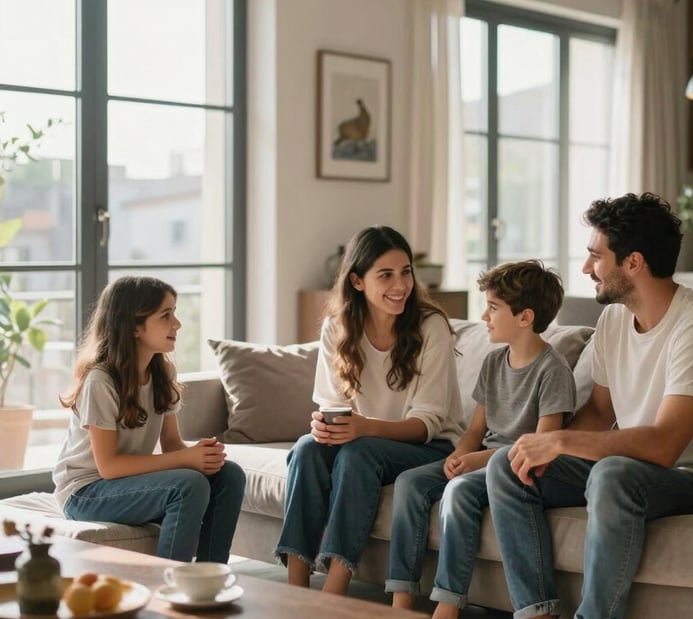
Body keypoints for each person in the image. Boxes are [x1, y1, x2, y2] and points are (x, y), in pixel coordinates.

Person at [461, 193, 693, 619]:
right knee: (510, 462)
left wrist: (565, 440)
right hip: (630, 467)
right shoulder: (615, 320)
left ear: (633, 263)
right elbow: (597, 412)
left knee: (611, 474)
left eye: (596, 255)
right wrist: (545, 445)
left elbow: (664, 445)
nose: (588, 267)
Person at [390, 261, 576, 619]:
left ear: (525, 318)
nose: (483, 317)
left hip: (515, 466)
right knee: (410, 483)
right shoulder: (494, 363)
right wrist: (460, 454)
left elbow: (542, 444)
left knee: (458, 492)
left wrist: (476, 461)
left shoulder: (553, 370)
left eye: (493, 308)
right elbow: (476, 429)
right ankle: (399, 603)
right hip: (480, 458)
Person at [274, 225, 465, 596]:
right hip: (365, 441)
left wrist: (363, 429)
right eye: (386, 275)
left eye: (406, 272)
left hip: (430, 445)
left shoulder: (431, 326)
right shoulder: (337, 327)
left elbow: (428, 423)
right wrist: (328, 426)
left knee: (360, 452)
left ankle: (335, 591)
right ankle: (295, 591)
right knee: (306, 449)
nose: (401, 285)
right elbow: (334, 404)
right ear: (358, 281)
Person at [54, 276, 246, 563]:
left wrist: (201, 454)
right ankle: (170, 581)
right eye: (166, 315)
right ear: (133, 326)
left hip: (129, 481)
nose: (177, 324)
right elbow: (109, 467)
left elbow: (171, 444)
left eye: (175, 313)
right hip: (85, 493)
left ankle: (209, 576)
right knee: (188, 485)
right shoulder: (101, 381)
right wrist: (187, 460)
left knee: (229, 475)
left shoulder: (162, 373)